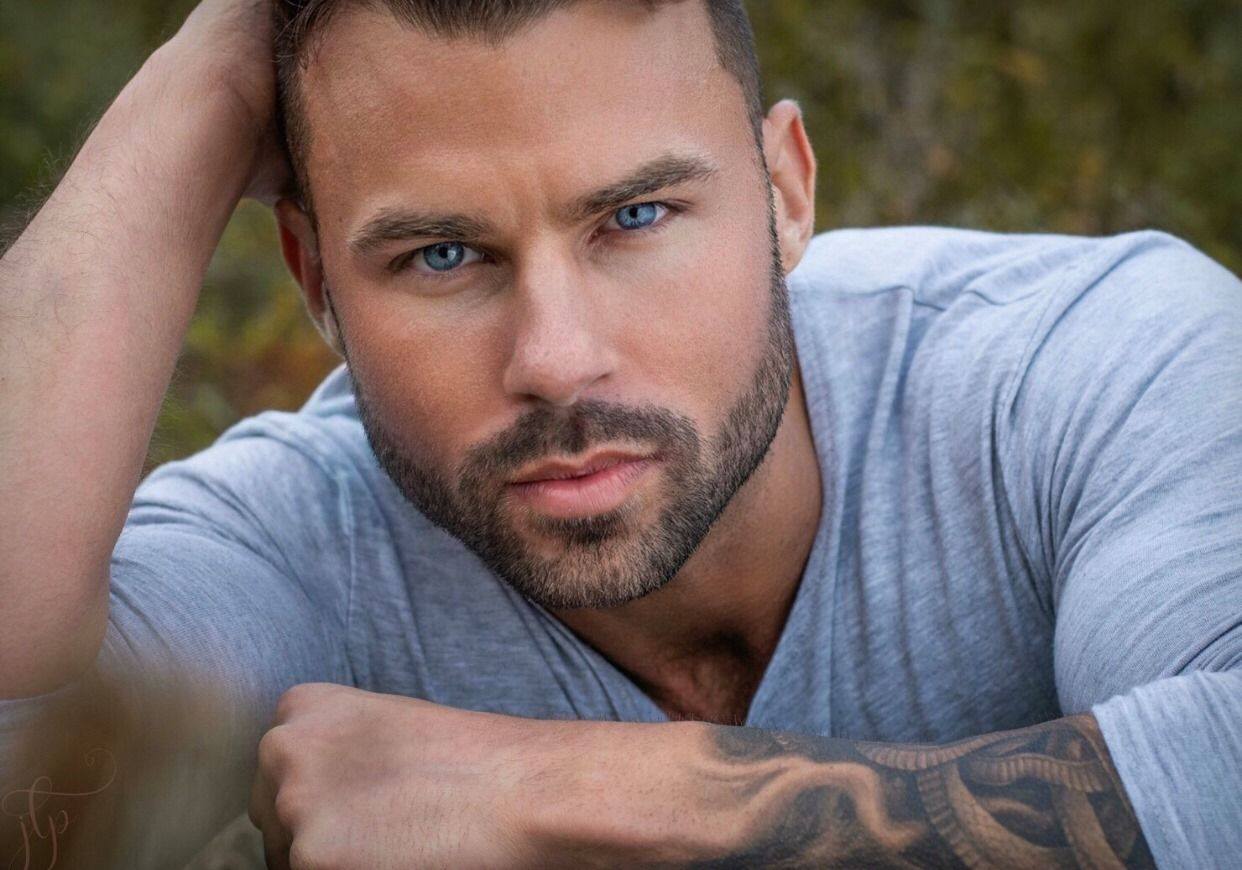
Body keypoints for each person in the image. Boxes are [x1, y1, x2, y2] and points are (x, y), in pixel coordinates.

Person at [0, 0, 1238, 866]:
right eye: (442, 255)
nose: (555, 359)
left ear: (786, 192)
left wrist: (559, 794)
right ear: (317, 282)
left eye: (636, 217)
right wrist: (209, 81)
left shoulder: (1089, 362)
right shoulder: (301, 540)